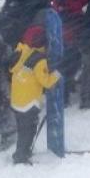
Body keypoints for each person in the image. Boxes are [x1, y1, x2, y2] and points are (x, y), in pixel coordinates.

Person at [9, 25, 60, 164]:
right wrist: (57, 74)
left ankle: (22, 152)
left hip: (17, 100)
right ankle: (21, 156)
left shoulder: (21, 51)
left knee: (22, 130)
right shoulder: (39, 60)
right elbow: (46, 82)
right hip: (29, 102)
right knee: (28, 131)